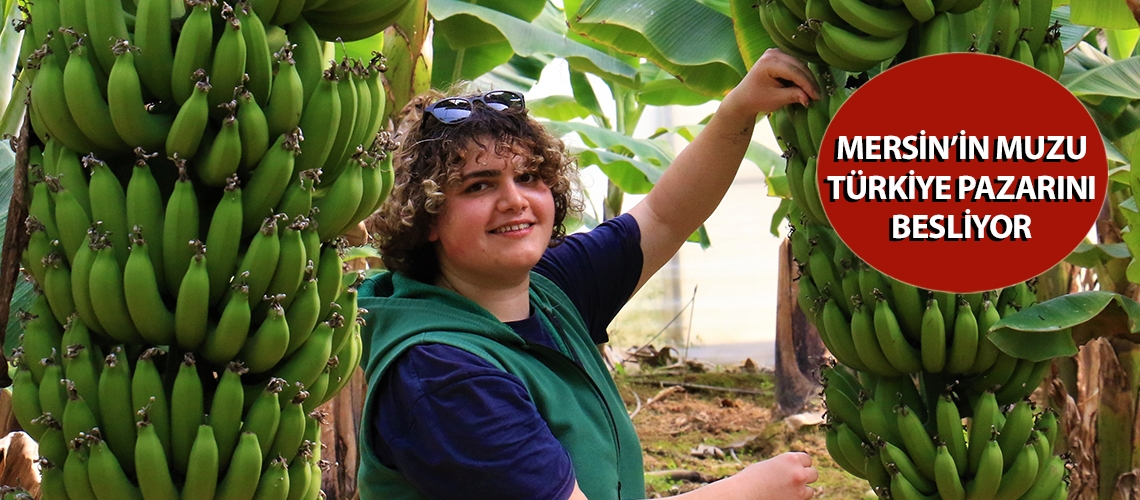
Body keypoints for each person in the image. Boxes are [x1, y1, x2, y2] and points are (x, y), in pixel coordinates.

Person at [356, 48, 822, 500]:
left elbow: (664, 216)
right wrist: (746, 491)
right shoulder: (440, 374)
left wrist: (739, 109)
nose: (515, 200)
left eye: (529, 177)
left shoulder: (547, 289)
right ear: (428, 216)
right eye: (480, 185)